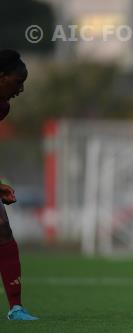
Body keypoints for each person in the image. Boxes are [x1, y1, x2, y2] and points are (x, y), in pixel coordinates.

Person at [0, 49, 38, 320]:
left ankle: (16, 307)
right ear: (1, 77)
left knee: (2, 230)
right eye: (17, 81)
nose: (21, 88)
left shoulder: (2, 107)